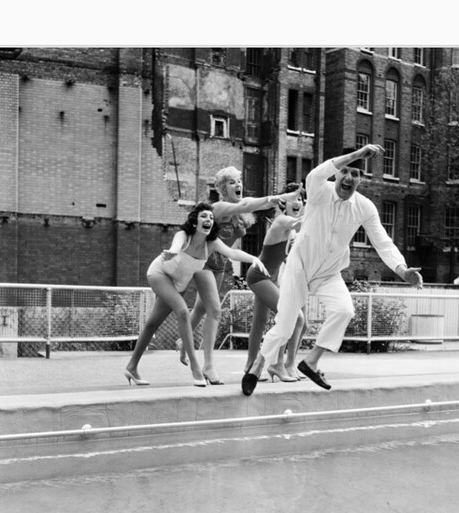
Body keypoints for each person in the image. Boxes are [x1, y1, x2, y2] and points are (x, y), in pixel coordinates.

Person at [241, 144, 424, 395]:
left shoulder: (365, 207)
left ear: (361, 179)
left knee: (344, 310)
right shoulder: (319, 190)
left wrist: (402, 270)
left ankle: (311, 361)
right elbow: (316, 173)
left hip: (329, 272)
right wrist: (357, 155)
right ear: (337, 173)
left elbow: (382, 240)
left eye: (356, 174)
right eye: (345, 172)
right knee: (284, 326)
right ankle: (259, 363)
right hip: (300, 266)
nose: (349, 178)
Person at [176, 167, 301, 385]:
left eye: (239, 180)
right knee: (214, 310)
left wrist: (278, 200)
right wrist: (280, 197)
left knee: (201, 309)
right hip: (203, 262)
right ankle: (208, 366)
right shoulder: (220, 207)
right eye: (232, 182)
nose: (238, 185)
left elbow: (253, 205)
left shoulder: (240, 214)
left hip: (220, 265)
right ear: (223, 188)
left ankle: (182, 342)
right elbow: (246, 204)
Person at [124, 203, 267, 388]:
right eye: (203, 216)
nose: (208, 220)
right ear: (194, 221)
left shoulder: (212, 243)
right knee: (183, 311)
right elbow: (176, 247)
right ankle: (195, 367)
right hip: (160, 274)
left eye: (210, 217)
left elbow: (232, 252)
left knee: (153, 323)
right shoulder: (183, 236)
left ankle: (131, 366)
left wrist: (254, 259)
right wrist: (172, 253)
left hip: (177, 283)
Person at [244, 182, 309, 382]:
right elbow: (302, 223)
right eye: (293, 199)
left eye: (301, 199)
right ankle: (277, 365)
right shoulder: (281, 221)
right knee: (293, 317)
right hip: (259, 276)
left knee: (261, 321)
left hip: (271, 277)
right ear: (283, 204)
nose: (298, 203)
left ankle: (253, 365)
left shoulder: (291, 229)